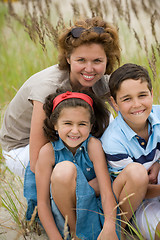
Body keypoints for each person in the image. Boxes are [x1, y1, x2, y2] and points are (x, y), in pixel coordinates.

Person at [0, 16, 121, 177]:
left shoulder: (102, 80)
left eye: (97, 60)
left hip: (67, 132)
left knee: (111, 125)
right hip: (24, 148)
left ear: (107, 60)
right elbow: (37, 162)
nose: (89, 69)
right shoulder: (48, 88)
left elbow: (127, 123)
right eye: (81, 60)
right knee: (76, 168)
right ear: (68, 58)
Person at [35, 88, 120, 240]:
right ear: (55, 124)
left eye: (82, 124)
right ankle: (75, 234)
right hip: (63, 217)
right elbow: (42, 203)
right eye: (67, 123)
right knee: (64, 170)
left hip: (91, 209)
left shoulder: (93, 146)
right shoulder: (47, 152)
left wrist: (109, 225)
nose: (75, 131)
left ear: (91, 125)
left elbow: (106, 192)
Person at [101, 63, 160, 240]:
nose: (137, 104)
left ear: (151, 93)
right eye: (127, 99)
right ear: (114, 103)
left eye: (142, 95)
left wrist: (157, 162)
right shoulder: (113, 140)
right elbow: (136, 187)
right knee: (137, 173)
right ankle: (125, 229)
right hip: (137, 202)